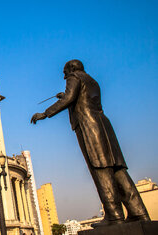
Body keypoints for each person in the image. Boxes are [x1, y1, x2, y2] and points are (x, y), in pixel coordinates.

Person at [31, 60, 150, 227]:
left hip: (89, 127)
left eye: (65, 72)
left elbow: (70, 97)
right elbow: (80, 98)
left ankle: (114, 216)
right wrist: (65, 96)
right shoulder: (92, 80)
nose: (64, 75)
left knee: (100, 169)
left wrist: (45, 113)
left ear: (71, 69)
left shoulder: (73, 77)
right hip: (104, 126)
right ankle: (139, 213)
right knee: (118, 171)